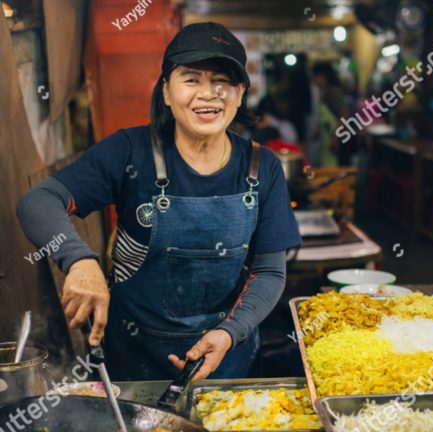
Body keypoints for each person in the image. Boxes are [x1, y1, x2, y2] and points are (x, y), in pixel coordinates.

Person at [16, 22, 300, 382]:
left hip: (227, 365)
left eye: (223, 82)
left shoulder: (263, 167)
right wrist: (79, 260)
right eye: (191, 79)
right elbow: (39, 200)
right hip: (131, 367)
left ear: (241, 93)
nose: (208, 94)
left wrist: (230, 332)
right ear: (166, 91)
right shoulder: (129, 152)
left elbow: (270, 272)